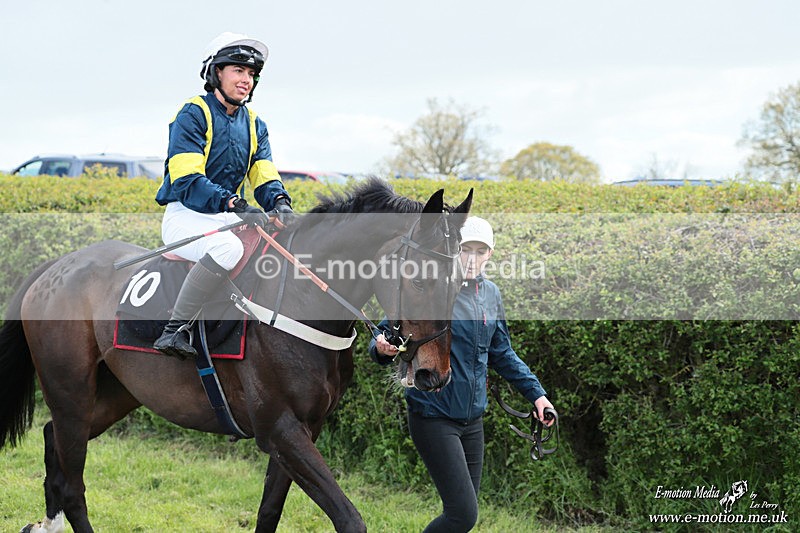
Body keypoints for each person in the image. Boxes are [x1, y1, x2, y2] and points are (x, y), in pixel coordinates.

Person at [369, 216, 555, 532]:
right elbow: (387, 335)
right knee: (462, 515)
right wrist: (381, 349)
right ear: (454, 251)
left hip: (472, 420)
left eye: (480, 251)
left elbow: (502, 353)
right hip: (433, 416)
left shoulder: (491, 294)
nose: (471, 258)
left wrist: (537, 395)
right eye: (466, 249)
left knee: (462, 518)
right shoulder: (434, 286)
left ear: (489, 255)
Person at [153, 32, 293, 359]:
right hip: (185, 216)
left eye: (251, 74)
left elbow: (263, 172)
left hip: (226, 215)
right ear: (217, 73)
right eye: (238, 71)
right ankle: (173, 330)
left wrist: (279, 202)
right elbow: (187, 179)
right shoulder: (193, 113)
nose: (246, 80)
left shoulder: (255, 124)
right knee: (226, 247)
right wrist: (234, 203)